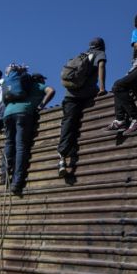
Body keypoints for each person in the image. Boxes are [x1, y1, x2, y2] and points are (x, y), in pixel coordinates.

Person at [57, 38, 107, 176]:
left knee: (68, 123)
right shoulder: (99, 53)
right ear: (101, 46)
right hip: (86, 93)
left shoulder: (81, 55)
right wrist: (102, 88)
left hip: (69, 95)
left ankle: (62, 158)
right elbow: (101, 66)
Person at [3, 71, 55, 195]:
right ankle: (17, 182)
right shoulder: (38, 85)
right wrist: (41, 106)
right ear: (40, 79)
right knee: (21, 146)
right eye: (43, 79)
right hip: (23, 113)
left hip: (8, 113)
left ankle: (4, 175)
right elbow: (51, 91)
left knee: (9, 143)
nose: (44, 81)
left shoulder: (21, 85)